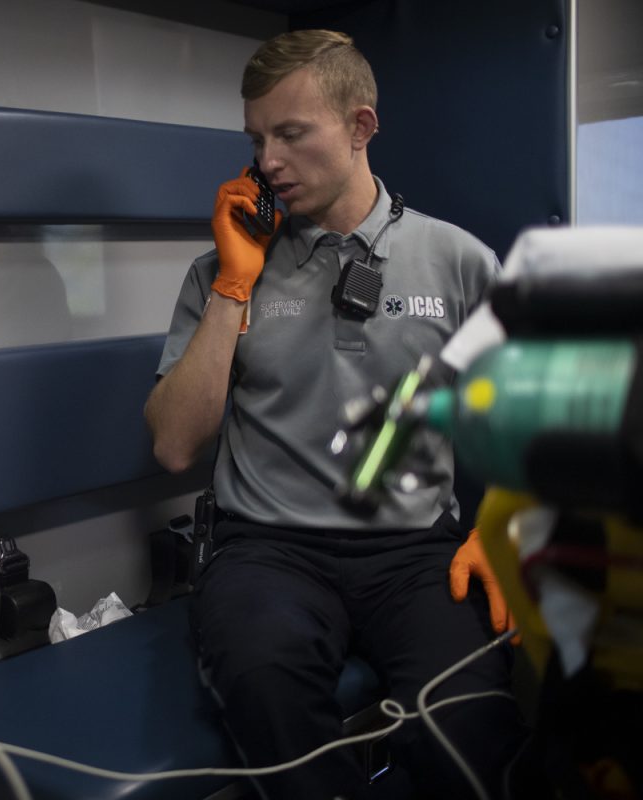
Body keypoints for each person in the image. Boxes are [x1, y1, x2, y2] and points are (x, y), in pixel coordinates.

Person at [144, 29, 527, 800]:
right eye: (256, 139)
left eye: (291, 134)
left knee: (473, 715)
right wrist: (233, 285)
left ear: (360, 127)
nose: (268, 161)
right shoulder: (221, 269)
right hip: (269, 552)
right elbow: (176, 445)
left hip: (414, 552)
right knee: (265, 687)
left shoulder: (454, 259)